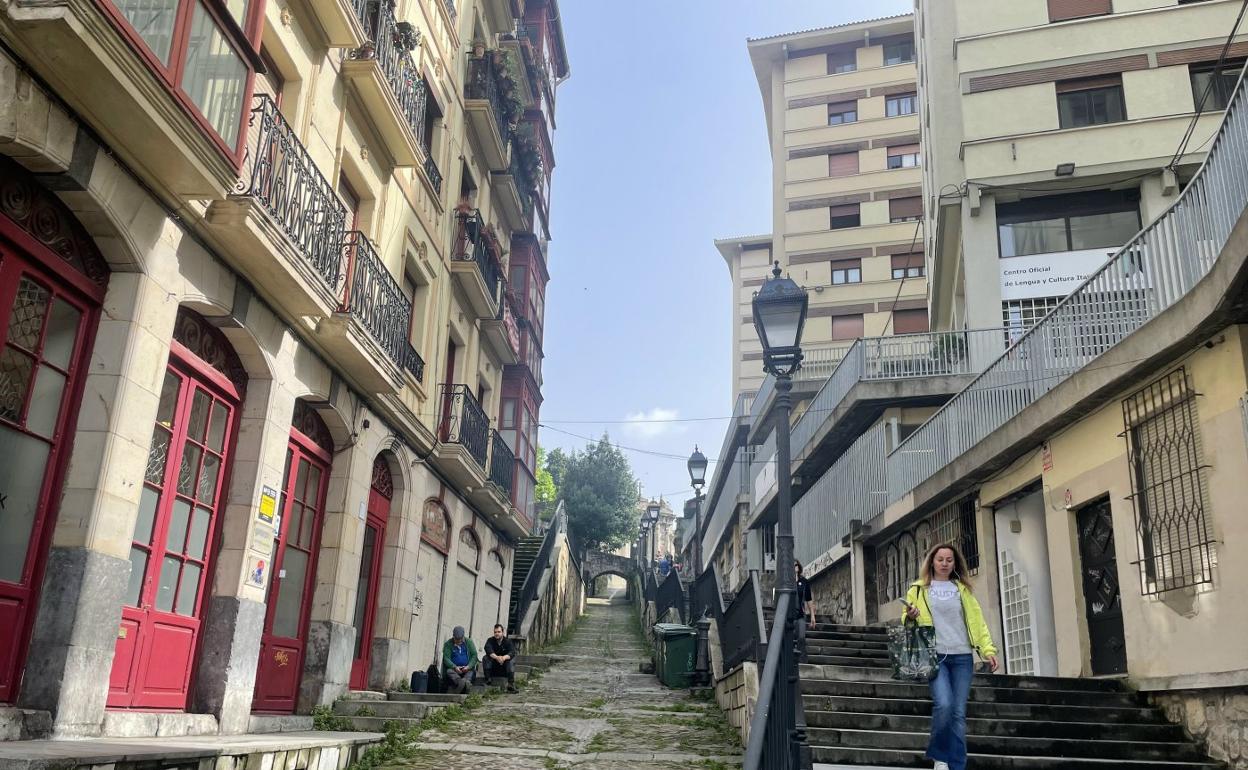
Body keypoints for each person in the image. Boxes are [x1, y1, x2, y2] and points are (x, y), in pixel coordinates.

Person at [902, 543, 999, 770]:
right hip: (935, 656)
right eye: (940, 559)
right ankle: (941, 757)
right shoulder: (918, 589)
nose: (945, 564)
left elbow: (978, 622)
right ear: (932, 562)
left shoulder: (962, 589)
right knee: (943, 705)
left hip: (963, 656)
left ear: (955, 563)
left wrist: (988, 650)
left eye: (949, 560)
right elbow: (905, 621)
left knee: (958, 713)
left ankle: (957, 765)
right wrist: (911, 615)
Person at [441, 626, 479, 695]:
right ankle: (462, 683)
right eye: (457, 639)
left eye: (460, 639)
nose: (459, 641)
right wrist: (454, 667)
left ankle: (464, 682)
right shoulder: (448, 644)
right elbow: (446, 658)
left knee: (471, 672)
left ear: (463, 637)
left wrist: (468, 666)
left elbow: (474, 655)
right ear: (453, 636)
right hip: (455, 670)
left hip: (467, 668)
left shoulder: (469, 642)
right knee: (449, 671)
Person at [483, 624, 518, 693]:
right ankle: (488, 680)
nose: (497, 634)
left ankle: (511, 684)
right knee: (485, 658)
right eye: (495, 632)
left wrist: (503, 658)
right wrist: (497, 657)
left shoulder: (508, 641)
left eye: (499, 632)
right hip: (493, 668)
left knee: (511, 660)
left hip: (504, 669)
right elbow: (488, 649)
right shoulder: (490, 640)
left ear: (502, 632)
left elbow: (512, 652)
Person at [793, 561, 816, 662]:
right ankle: (792, 660)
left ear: (799, 567)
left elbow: (809, 599)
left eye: (796, 565)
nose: (795, 567)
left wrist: (812, 616)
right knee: (792, 638)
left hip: (801, 615)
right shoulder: (787, 582)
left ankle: (802, 661)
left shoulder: (804, 582)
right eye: (793, 565)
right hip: (790, 615)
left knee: (801, 637)